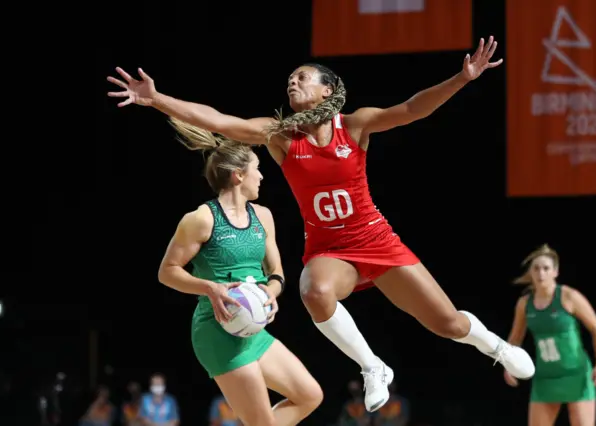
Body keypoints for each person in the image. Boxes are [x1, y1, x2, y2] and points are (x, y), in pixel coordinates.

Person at [108, 35, 534, 412]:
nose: (292, 82)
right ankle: (372, 366)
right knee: (313, 290)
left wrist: (462, 78)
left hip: (377, 240)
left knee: (449, 325)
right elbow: (220, 122)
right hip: (331, 251)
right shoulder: (280, 137)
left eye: (303, 77)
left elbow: (410, 110)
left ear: (328, 90)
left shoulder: (354, 124)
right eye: (290, 79)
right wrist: (157, 99)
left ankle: (497, 346)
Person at [156, 122, 323, 426]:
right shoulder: (201, 219)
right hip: (217, 331)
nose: (261, 176)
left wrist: (271, 291)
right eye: (257, 169)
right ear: (239, 175)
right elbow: (167, 272)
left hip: (252, 329)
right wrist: (210, 288)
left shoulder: (263, 216)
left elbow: (277, 272)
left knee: (310, 395)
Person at [504, 244, 596, 426]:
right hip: (545, 377)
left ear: (555, 272)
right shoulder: (524, 304)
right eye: (536, 268)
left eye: (546, 268)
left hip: (576, 374)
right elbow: (515, 338)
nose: (541, 273)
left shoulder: (569, 296)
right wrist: (508, 364)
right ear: (531, 272)